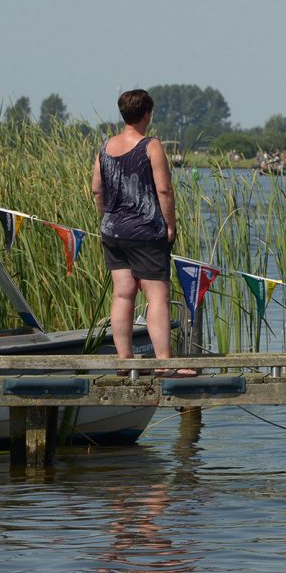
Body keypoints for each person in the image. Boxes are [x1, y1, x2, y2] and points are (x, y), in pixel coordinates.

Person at [90, 89, 193, 377]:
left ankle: (125, 361)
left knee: (123, 295)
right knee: (156, 297)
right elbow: (164, 190)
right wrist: (170, 224)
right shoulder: (151, 146)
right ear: (147, 114)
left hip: (113, 231)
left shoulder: (105, 147)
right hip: (146, 231)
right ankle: (164, 364)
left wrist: (106, 217)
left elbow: (97, 188)